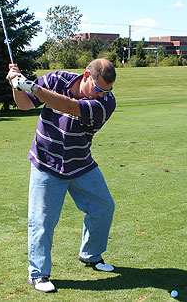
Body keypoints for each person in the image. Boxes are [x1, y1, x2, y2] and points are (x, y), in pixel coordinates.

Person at [6, 58, 117, 293]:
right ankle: (38, 274)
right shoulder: (57, 79)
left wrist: (33, 87)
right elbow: (25, 104)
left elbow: (70, 107)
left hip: (80, 164)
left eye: (106, 91)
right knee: (42, 220)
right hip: (46, 162)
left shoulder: (106, 103)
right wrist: (16, 85)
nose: (101, 94)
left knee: (103, 207)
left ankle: (90, 254)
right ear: (86, 75)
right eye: (98, 89)